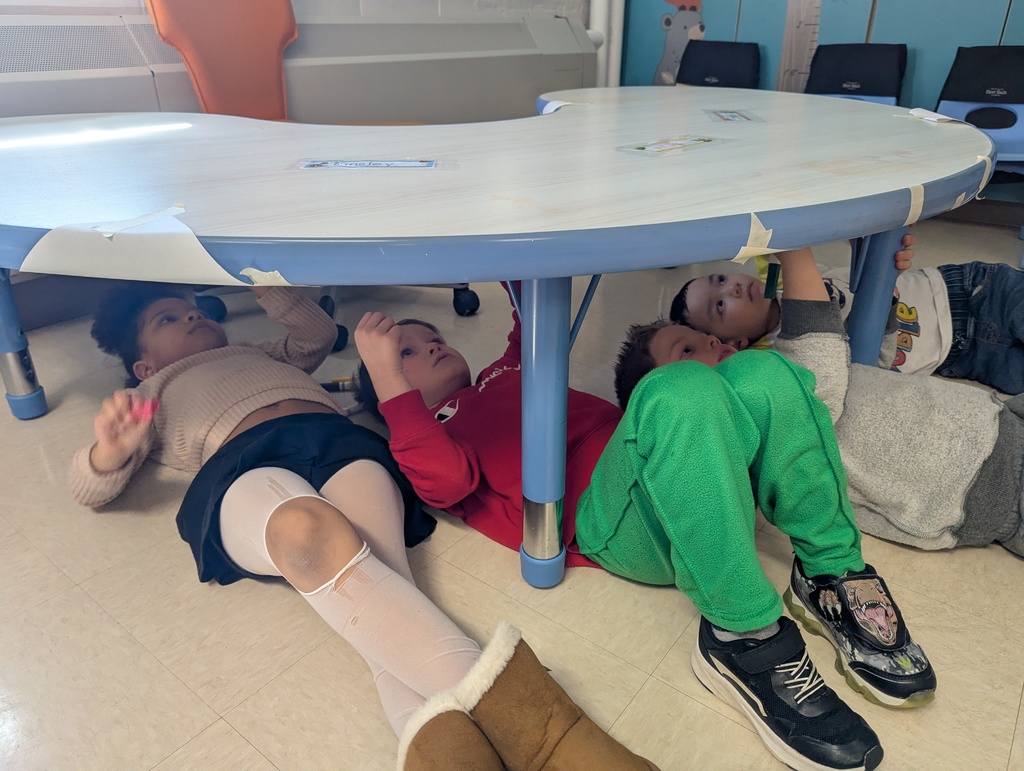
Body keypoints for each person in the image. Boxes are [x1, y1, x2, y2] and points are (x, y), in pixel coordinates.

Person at [68, 281, 657, 771]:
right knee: (305, 532)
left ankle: (457, 756)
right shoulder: (148, 392)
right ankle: (554, 738)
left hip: (335, 445)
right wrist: (108, 451)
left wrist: (266, 282)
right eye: (168, 317)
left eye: (191, 304)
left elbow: (317, 335)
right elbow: (88, 488)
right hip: (241, 464)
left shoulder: (262, 351)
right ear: (143, 362)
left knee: (388, 587)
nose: (192, 313)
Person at [355, 286, 935, 771]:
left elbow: (532, 318)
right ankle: (742, 637)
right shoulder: (432, 429)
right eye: (405, 353)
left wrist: (511, 262)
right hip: (613, 521)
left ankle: (830, 570)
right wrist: (387, 381)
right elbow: (443, 481)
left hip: (684, 480)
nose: (428, 343)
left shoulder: (503, 371)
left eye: (429, 336)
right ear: (390, 392)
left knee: (761, 368)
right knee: (674, 388)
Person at [619, 247, 1024, 558]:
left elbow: (849, 364)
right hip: (984, 481)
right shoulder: (751, 420)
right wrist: (796, 257)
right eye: (688, 351)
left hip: (991, 421)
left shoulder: (764, 373)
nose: (710, 340)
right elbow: (817, 369)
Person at [669, 235, 1024, 394]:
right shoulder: (788, 353)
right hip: (966, 357)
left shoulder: (785, 277)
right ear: (736, 342)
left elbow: (859, 265)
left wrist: (880, 252)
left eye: (720, 278)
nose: (729, 288)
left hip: (968, 292)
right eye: (719, 306)